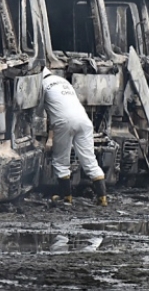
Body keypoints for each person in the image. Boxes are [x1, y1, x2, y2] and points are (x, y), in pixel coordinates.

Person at [42, 67, 108, 206]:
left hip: (64, 123)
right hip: (84, 121)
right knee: (90, 160)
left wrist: (49, 138)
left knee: (60, 161)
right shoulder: (62, 81)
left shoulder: (42, 85)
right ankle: (102, 198)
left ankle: (66, 198)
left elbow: (44, 114)